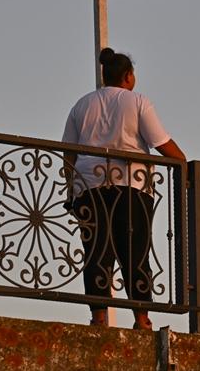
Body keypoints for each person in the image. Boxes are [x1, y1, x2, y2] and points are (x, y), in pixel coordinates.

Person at [62, 47, 186, 330]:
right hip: (130, 186)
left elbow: (68, 151)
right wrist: (185, 164)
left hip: (90, 186)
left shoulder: (82, 105)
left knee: (96, 252)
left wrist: (72, 189)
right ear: (128, 76)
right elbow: (161, 142)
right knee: (135, 251)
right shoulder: (137, 101)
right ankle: (142, 319)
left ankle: (99, 318)